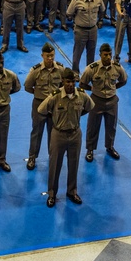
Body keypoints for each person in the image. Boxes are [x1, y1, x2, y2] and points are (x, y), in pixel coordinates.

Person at [40, 68, 93, 207]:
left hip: (75, 134)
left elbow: (89, 107)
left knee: (73, 164)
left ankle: (72, 191)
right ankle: (52, 194)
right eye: (68, 81)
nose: (70, 84)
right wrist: (56, 118)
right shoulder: (55, 96)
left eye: (73, 81)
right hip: (58, 134)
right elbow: (41, 109)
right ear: (63, 81)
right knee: (55, 165)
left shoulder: (82, 95)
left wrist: (76, 117)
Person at [80, 43, 127, 163]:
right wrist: (93, 89)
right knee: (93, 126)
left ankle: (110, 147)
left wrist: (114, 88)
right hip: (96, 100)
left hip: (112, 101)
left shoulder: (117, 67)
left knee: (111, 126)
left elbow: (124, 80)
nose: (108, 57)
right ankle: (90, 149)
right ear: (100, 55)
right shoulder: (92, 68)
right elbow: (82, 83)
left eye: (110, 54)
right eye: (105, 55)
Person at [23, 43, 65, 171]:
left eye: (52, 56)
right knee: (36, 132)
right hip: (39, 104)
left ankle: (52, 155)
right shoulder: (36, 71)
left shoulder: (61, 69)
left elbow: (64, 85)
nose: (50, 58)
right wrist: (38, 94)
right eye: (47, 56)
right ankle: (32, 157)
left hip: (54, 106)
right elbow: (27, 86)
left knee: (53, 132)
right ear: (42, 56)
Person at [68, 0, 104, 74]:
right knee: (77, 52)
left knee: (91, 52)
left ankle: (90, 72)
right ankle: (75, 72)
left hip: (93, 29)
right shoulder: (77, 0)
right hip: (80, 30)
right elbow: (69, 13)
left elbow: (102, 10)